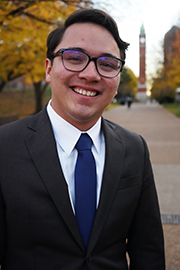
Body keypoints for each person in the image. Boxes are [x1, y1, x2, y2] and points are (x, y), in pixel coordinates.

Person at [0, 8, 165, 270]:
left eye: (108, 64)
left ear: (118, 79)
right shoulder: (4, 147)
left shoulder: (135, 149)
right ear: (48, 69)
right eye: (74, 58)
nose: (91, 74)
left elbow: (148, 251)